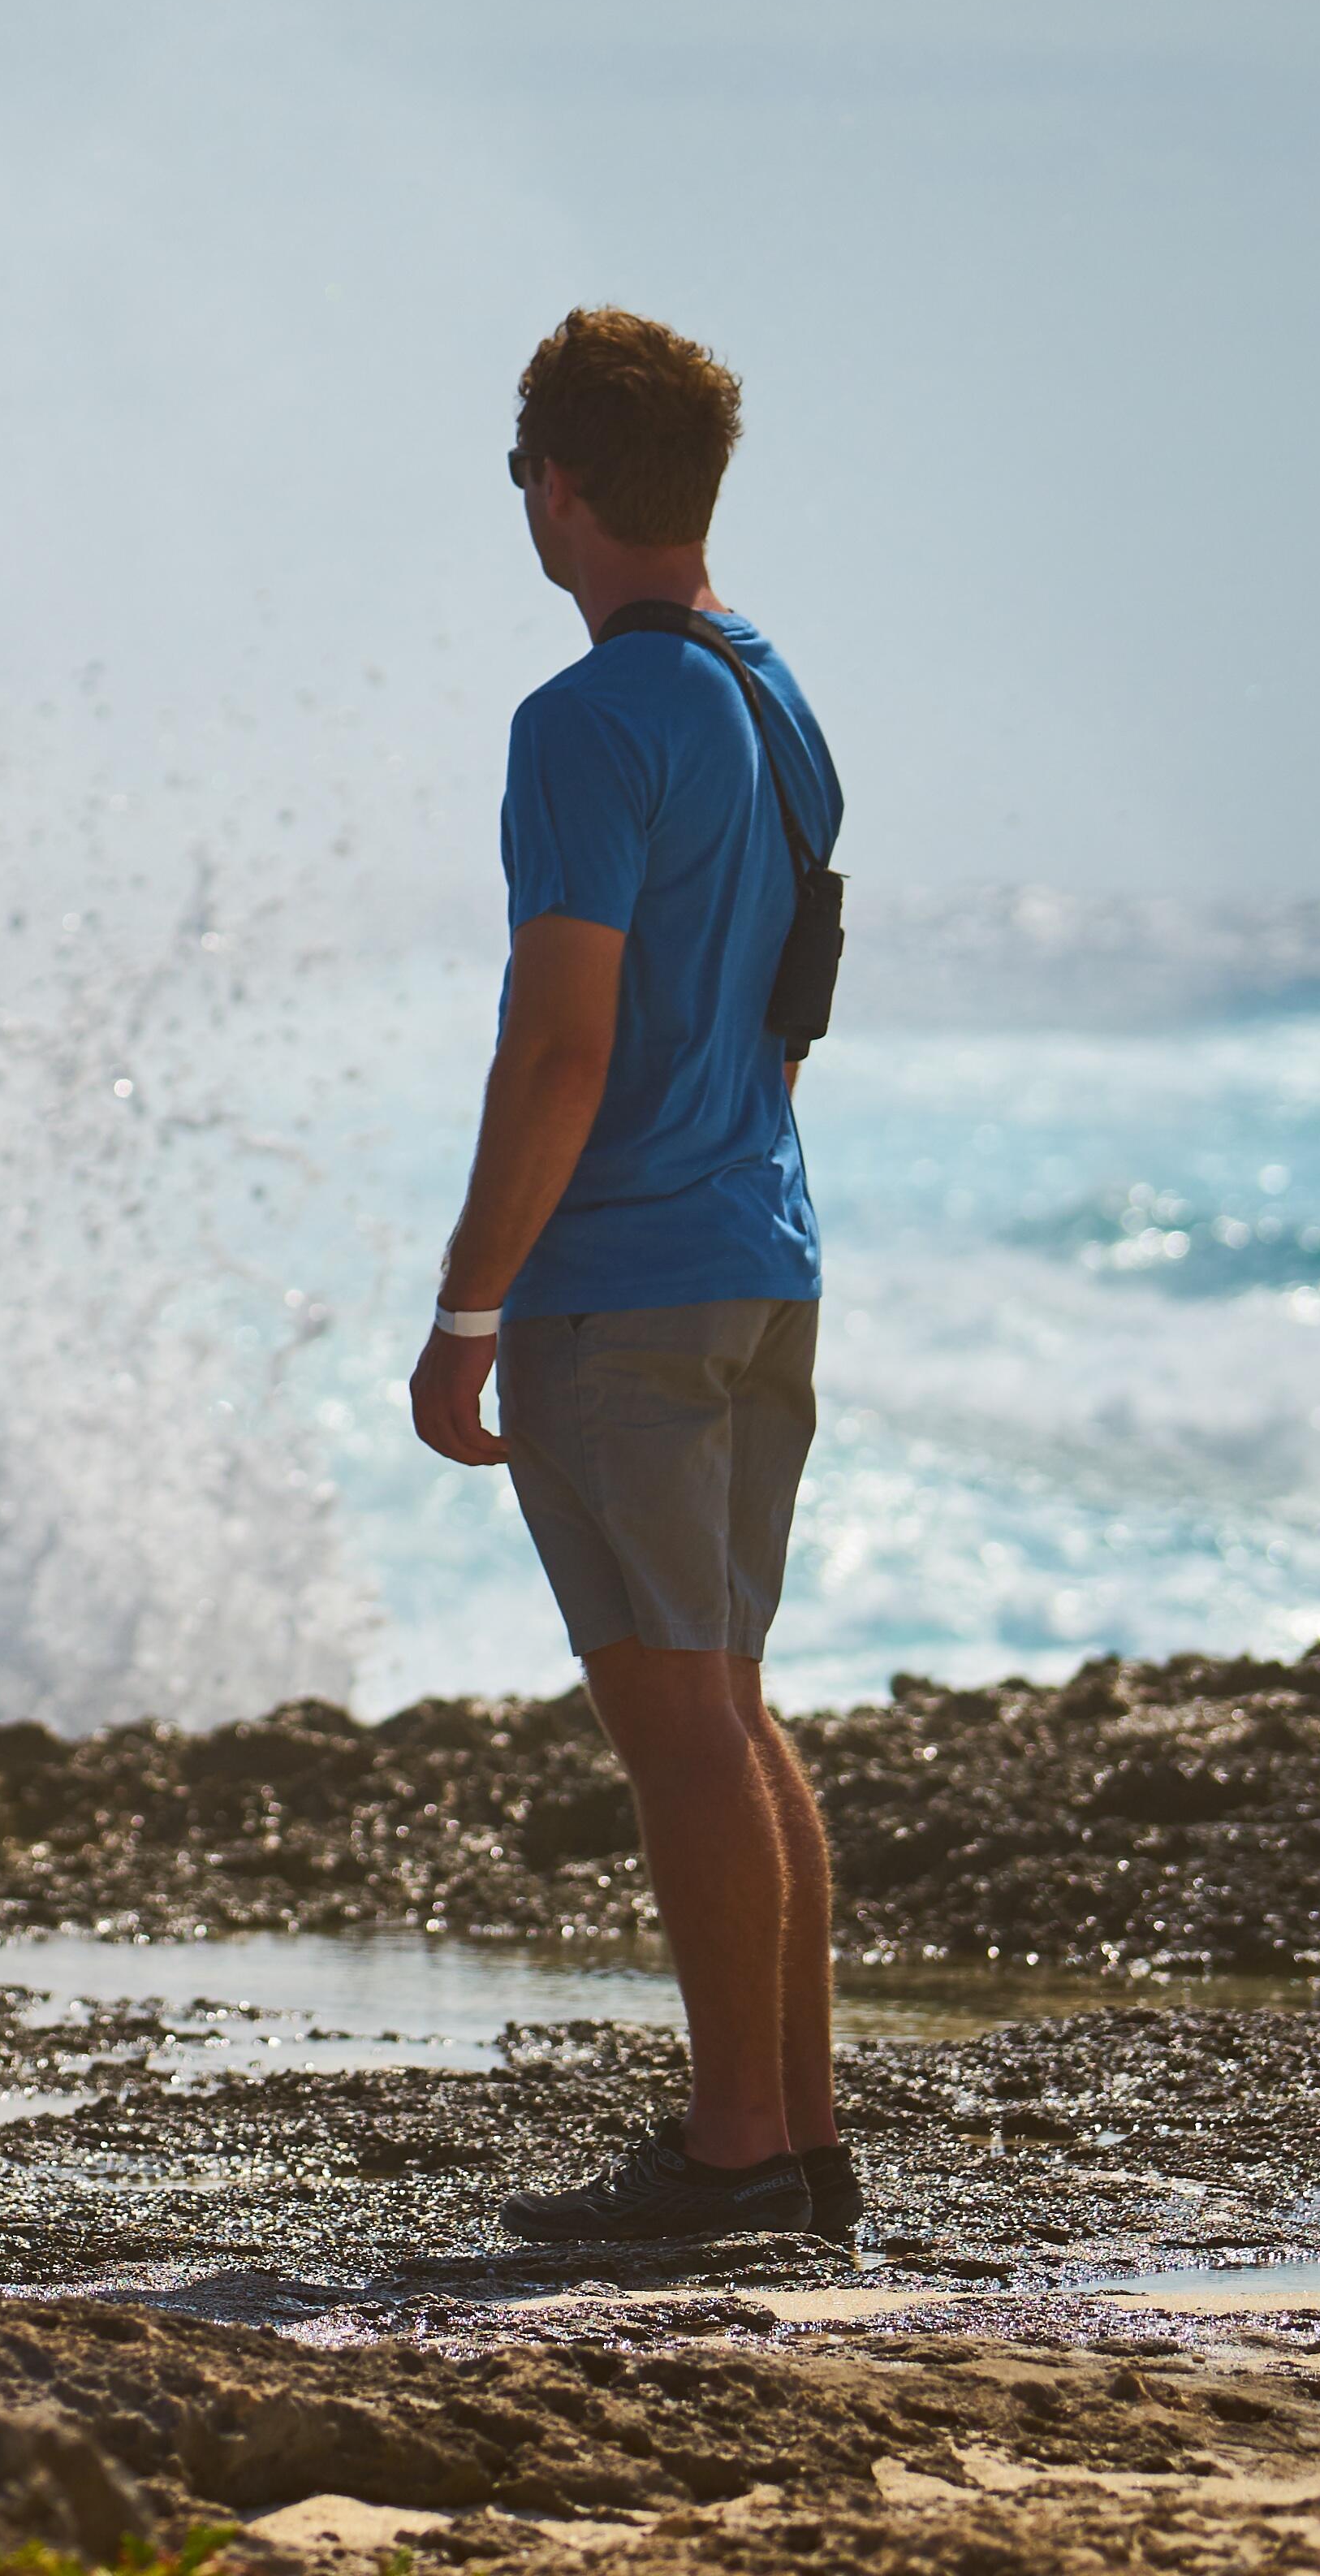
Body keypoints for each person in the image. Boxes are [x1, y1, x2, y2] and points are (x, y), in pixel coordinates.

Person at [405, 305, 856, 2246]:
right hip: (765, 1251)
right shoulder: (773, 694)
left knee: (687, 1731)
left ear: (560, 488)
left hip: (634, 1284)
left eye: (524, 472)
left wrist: (466, 1307)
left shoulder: (581, 720)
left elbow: (561, 1050)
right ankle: (796, 2136)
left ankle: (741, 2150)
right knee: (735, 1709)